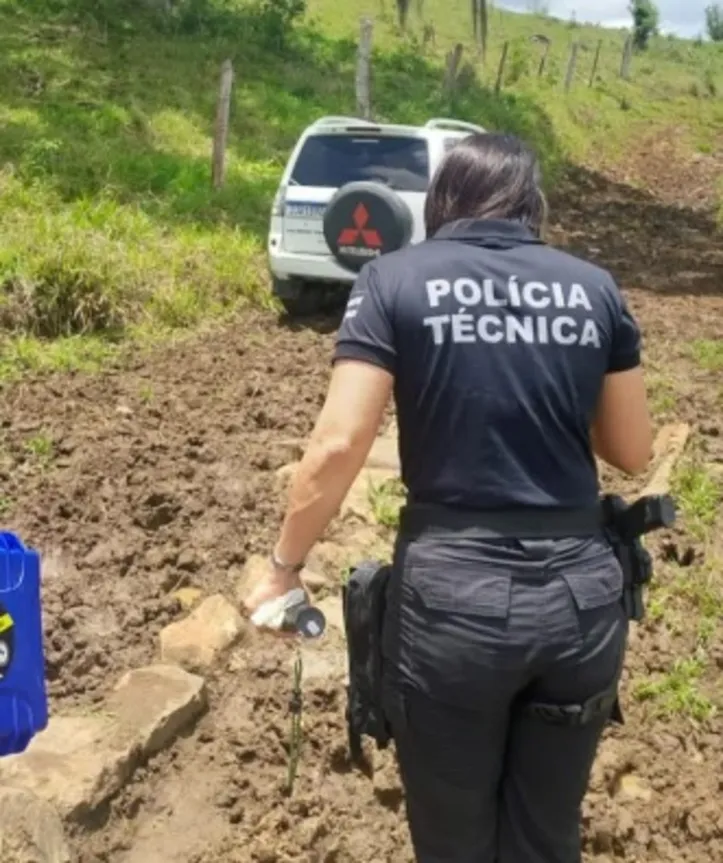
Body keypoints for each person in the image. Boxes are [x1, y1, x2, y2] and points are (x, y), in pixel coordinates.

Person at [244, 133, 653, 863]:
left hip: (451, 608)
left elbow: (339, 444)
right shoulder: (594, 288)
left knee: (453, 839)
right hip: (580, 604)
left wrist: (283, 568)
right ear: (531, 203)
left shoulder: (393, 280)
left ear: (441, 200)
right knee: (545, 833)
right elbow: (630, 450)